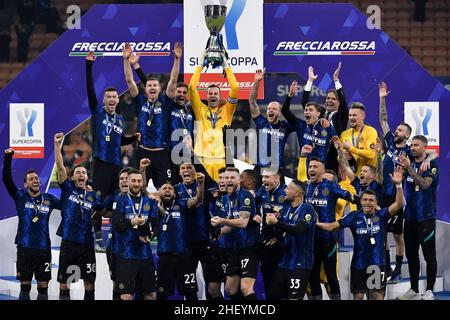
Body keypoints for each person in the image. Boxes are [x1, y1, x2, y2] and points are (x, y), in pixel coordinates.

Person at [378, 82, 437, 283]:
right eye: (397, 129)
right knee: (382, 232)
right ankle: (386, 267)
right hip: (382, 192)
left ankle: (397, 270)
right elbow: (383, 119)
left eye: (401, 130)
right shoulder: (389, 142)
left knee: (397, 234)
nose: (396, 131)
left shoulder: (410, 151)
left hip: (398, 195)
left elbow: (431, 153)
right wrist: (382, 98)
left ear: (408, 135)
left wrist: (427, 161)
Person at [316, 167, 405, 300]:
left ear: (376, 203)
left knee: (377, 297)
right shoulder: (354, 217)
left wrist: (398, 185)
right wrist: (316, 224)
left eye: (371, 200)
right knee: (358, 297)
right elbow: (331, 226)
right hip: (358, 264)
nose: (367, 203)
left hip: (377, 263)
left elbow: (399, 203)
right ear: (361, 202)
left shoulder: (381, 215)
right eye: (365, 200)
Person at [85, 50, 140, 252]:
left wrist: (133, 137)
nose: (110, 99)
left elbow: (119, 140)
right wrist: (89, 66)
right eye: (107, 96)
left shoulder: (119, 119)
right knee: (98, 204)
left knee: (117, 201)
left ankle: (118, 235)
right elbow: (90, 91)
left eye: (114, 96)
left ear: (117, 100)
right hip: (101, 163)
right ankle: (97, 237)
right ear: (104, 100)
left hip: (117, 166)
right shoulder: (98, 112)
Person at [2, 148, 61, 300]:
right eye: (31, 179)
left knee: (43, 288)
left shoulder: (49, 199)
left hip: (43, 249)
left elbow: (67, 205)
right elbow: (7, 179)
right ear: (25, 184)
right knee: (25, 287)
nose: (35, 181)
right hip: (25, 248)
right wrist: (8, 157)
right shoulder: (21, 196)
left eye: (36, 178)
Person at [298, 150, 356, 300]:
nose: (311, 169)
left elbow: (351, 197)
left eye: (315, 167)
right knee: (313, 274)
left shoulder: (331, 186)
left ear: (322, 170)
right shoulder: (305, 187)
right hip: (310, 239)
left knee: (331, 275)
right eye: (310, 167)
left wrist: (366, 202)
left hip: (328, 238)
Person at [123, 42, 181, 188]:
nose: (152, 87)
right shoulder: (140, 100)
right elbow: (129, 81)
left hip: (162, 154)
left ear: (160, 87)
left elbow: (173, 80)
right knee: (138, 188)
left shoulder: (165, 101)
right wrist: (126, 60)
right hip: (143, 151)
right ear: (146, 88)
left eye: (155, 85)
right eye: (149, 85)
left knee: (166, 189)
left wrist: (177, 59)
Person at [54, 133, 104, 300]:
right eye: (78, 172)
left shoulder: (92, 196)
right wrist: (57, 145)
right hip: (69, 242)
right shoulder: (67, 189)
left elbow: (102, 210)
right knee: (65, 282)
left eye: (84, 172)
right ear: (72, 177)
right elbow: (60, 167)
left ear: (87, 178)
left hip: (87, 244)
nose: (81, 174)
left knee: (89, 282)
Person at [397, 135, 439, 300]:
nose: (413, 148)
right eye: (412, 145)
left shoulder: (432, 164)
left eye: (416, 145)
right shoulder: (409, 157)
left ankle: (429, 290)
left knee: (429, 256)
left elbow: (424, 185)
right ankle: (414, 290)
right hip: (410, 218)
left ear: (425, 147)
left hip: (426, 218)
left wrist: (411, 168)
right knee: (412, 255)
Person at [188, 51, 239, 182]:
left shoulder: (227, 110)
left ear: (220, 96)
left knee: (220, 195)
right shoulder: (200, 109)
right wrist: (200, 65)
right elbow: (192, 88)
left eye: (216, 94)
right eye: (210, 93)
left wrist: (226, 65)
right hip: (202, 159)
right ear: (206, 96)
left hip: (221, 160)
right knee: (202, 196)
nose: (213, 96)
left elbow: (235, 88)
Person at [211, 167, 258, 300]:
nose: (228, 181)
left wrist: (222, 220)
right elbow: (231, 226)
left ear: (239, 180)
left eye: (232, 178)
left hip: (249, 247)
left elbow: (243, 222)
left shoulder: (245, 195)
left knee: (245, 287)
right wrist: (220, 231)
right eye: (226, 178)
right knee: (230, 289)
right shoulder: (225, 198)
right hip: (235, 248)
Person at [112, 169, 159, 300]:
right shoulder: (120, 201)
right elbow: (117, 225)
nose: (136, 183)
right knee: (126, 296)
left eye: (139, 181)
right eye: (133, 180)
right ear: (127, 181)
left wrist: (151, 235)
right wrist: (132, 222)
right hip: (126, 256)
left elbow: (156, 225)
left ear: (142, 182)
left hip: (145, 256)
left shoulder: (150, 202)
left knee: (151, 295)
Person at [156, 174, 205, 300]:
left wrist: (200, 183)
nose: (167, 190)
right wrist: (143, 170)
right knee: (161, 294)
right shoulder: (153, 207)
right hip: (165, 256)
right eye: (164, 188)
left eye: (170, 188)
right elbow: (143, 191)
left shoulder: (182, 204)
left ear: (175, 193)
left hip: (184, 255)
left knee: (190, 293)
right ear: (159, 193)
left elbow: (197, 199)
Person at [266, 180, 317, 300]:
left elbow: (299, 230)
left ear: (296, 193)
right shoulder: (286, 208)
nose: (284, 190)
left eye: (288, 188)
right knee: (272, 295)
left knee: (294, 298)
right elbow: (283, 230)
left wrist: (277, 223)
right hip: (284, 262)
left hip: (300, 263)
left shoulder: (307, 209)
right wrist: (272, 227)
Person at [299, 64, 349, 172]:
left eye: (333, 99)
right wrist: (310, 81)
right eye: (328, 98)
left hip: (333, 159)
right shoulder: (320, 113)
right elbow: (305, 103)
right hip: (317, 158)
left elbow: (344, 103)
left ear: (338, 103)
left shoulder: (342, 116)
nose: (329, 101)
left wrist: (336, 81)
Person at [249, 68, 295, 173]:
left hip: (277, 170)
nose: (270, 110)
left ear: (279, 113)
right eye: (269, 108)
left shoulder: (285, 126)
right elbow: (252, 101)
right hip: (260, 169)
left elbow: (298, 123)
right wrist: (257, 81)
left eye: (274, 109)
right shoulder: (261, 122)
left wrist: (290, 97)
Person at [174, 163, 210, 293]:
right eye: (183, 168)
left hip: (205, 240)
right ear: (179, 173)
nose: (186, 170)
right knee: (189, 285)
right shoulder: (175, 189)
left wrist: (201, 184)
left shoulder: (205, 186)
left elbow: (199, 199)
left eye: (189, 168)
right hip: (185, 242)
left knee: (211, 283)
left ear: (195, 172)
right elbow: (194, 201)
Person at [256, 168, 287, 298]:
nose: (263, 180)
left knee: (281, 281)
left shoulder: (287, 192)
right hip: (266, 241)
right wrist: (256, 215)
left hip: (283, 243)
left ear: (277, 178)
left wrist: (278, 237)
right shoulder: (262, 191)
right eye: (263, 177)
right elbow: (253, 203)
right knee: (267, 277)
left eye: (267, 177)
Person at [205, 167, 230, 300]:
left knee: (231, 289)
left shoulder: (239, 197)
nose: (221, 181)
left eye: (225, 178)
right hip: (214, 247)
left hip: (232, 248)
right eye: (220, 178)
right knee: (212, 290)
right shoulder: (210, 193)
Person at [339, 102, 378, 176]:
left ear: (363, 116)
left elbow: (371, 154)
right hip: (350, 178)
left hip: (367, 179)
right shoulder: (344, 134)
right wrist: (342, 156)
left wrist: (351, 149)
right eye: (350, 115)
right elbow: (339, 156)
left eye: (354, 115)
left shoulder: (370, 131)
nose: (351, 118)